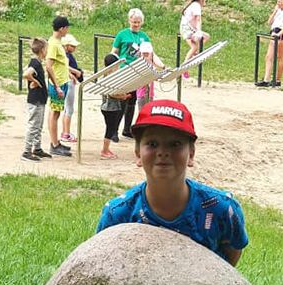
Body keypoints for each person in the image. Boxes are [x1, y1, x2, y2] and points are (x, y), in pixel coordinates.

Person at [96, 100, 248, 266]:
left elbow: (230, 261)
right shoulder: (118, 214)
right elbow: (103, 263)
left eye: (175, 144)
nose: (163, 152)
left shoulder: (223, 209)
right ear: (138, 154)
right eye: (152, 144)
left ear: (191, 154)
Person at [111, 8, 151, 139]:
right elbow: (114, 52)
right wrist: (113, 67)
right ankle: (114, 131)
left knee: (132, 101)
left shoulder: (144, 37)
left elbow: (150, 53)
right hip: (124, 70)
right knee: (122, 100)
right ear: (129, 20)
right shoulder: (122, 34)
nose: (136, 24)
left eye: (139, 22)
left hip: (137, 71)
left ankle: (127, 129)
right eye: (134, 22)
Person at [21, 38, 52, 163]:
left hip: (40, 99)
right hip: (35, 100)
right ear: (42, 50)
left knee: (38, 125)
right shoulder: (35, 63)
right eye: (46, 49)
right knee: (33, 125)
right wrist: (35, 82)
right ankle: (27, 151)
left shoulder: (36, 62)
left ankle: (37, 148)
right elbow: (26, 74)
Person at [46, 15, 72, 157]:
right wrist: (56, 86)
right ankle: (54, 144)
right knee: (54, 113)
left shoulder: (57, 42)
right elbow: (49, 66)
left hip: (62, 82)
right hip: (58, 84)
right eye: (67, 27)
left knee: (56, 112)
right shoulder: (54, 44)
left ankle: (56, 142)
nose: (67, 30)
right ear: (62, 28)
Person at [255, 0, 283, 88]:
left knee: (279, 57)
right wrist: (275, 11)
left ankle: (278, 79)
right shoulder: (278, 11)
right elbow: (269, 22)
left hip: (281, 34)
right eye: (278, 1)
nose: (278, 3)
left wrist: (278, 35)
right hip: (273, 31)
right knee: (269, 57)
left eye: (280, 1)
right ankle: (266, 80)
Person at [100, 53, 128, 160]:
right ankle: (104, 150)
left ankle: (106, 149)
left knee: (111, 128)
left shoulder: (106, 75)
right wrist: (122, 96)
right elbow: (112, 93)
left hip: (108, 107)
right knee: (110, 129)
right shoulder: (110, 77)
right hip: (110, 108)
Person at [179, 0, 210, 78]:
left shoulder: (192, 5)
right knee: (194, 46)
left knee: (206, 37)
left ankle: (195, 53)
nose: (205, 3)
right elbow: (198, 19)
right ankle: (184, 67)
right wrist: (199, 31)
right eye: (205, 1)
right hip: (187, 29)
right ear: (201, 0)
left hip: (188, 29)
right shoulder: (196, 6)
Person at [60, 33, 84, 144]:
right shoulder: (65, 56)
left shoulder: (67, 55)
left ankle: (66, 131)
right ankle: (66, 133)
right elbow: (64, 66)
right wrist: (74, 72)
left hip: (69, 81)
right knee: (69, 109)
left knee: (68, 108)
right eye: (72, 46)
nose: (74, 48)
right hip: (69, 83)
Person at [136, 41, 165, 110]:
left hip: (150, 94)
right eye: (144, 54)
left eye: (147, 54)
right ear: (140, 54)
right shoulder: (139, 64)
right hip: (142, 94)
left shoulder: (151, 65)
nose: (146, 56)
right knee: (142, 111)